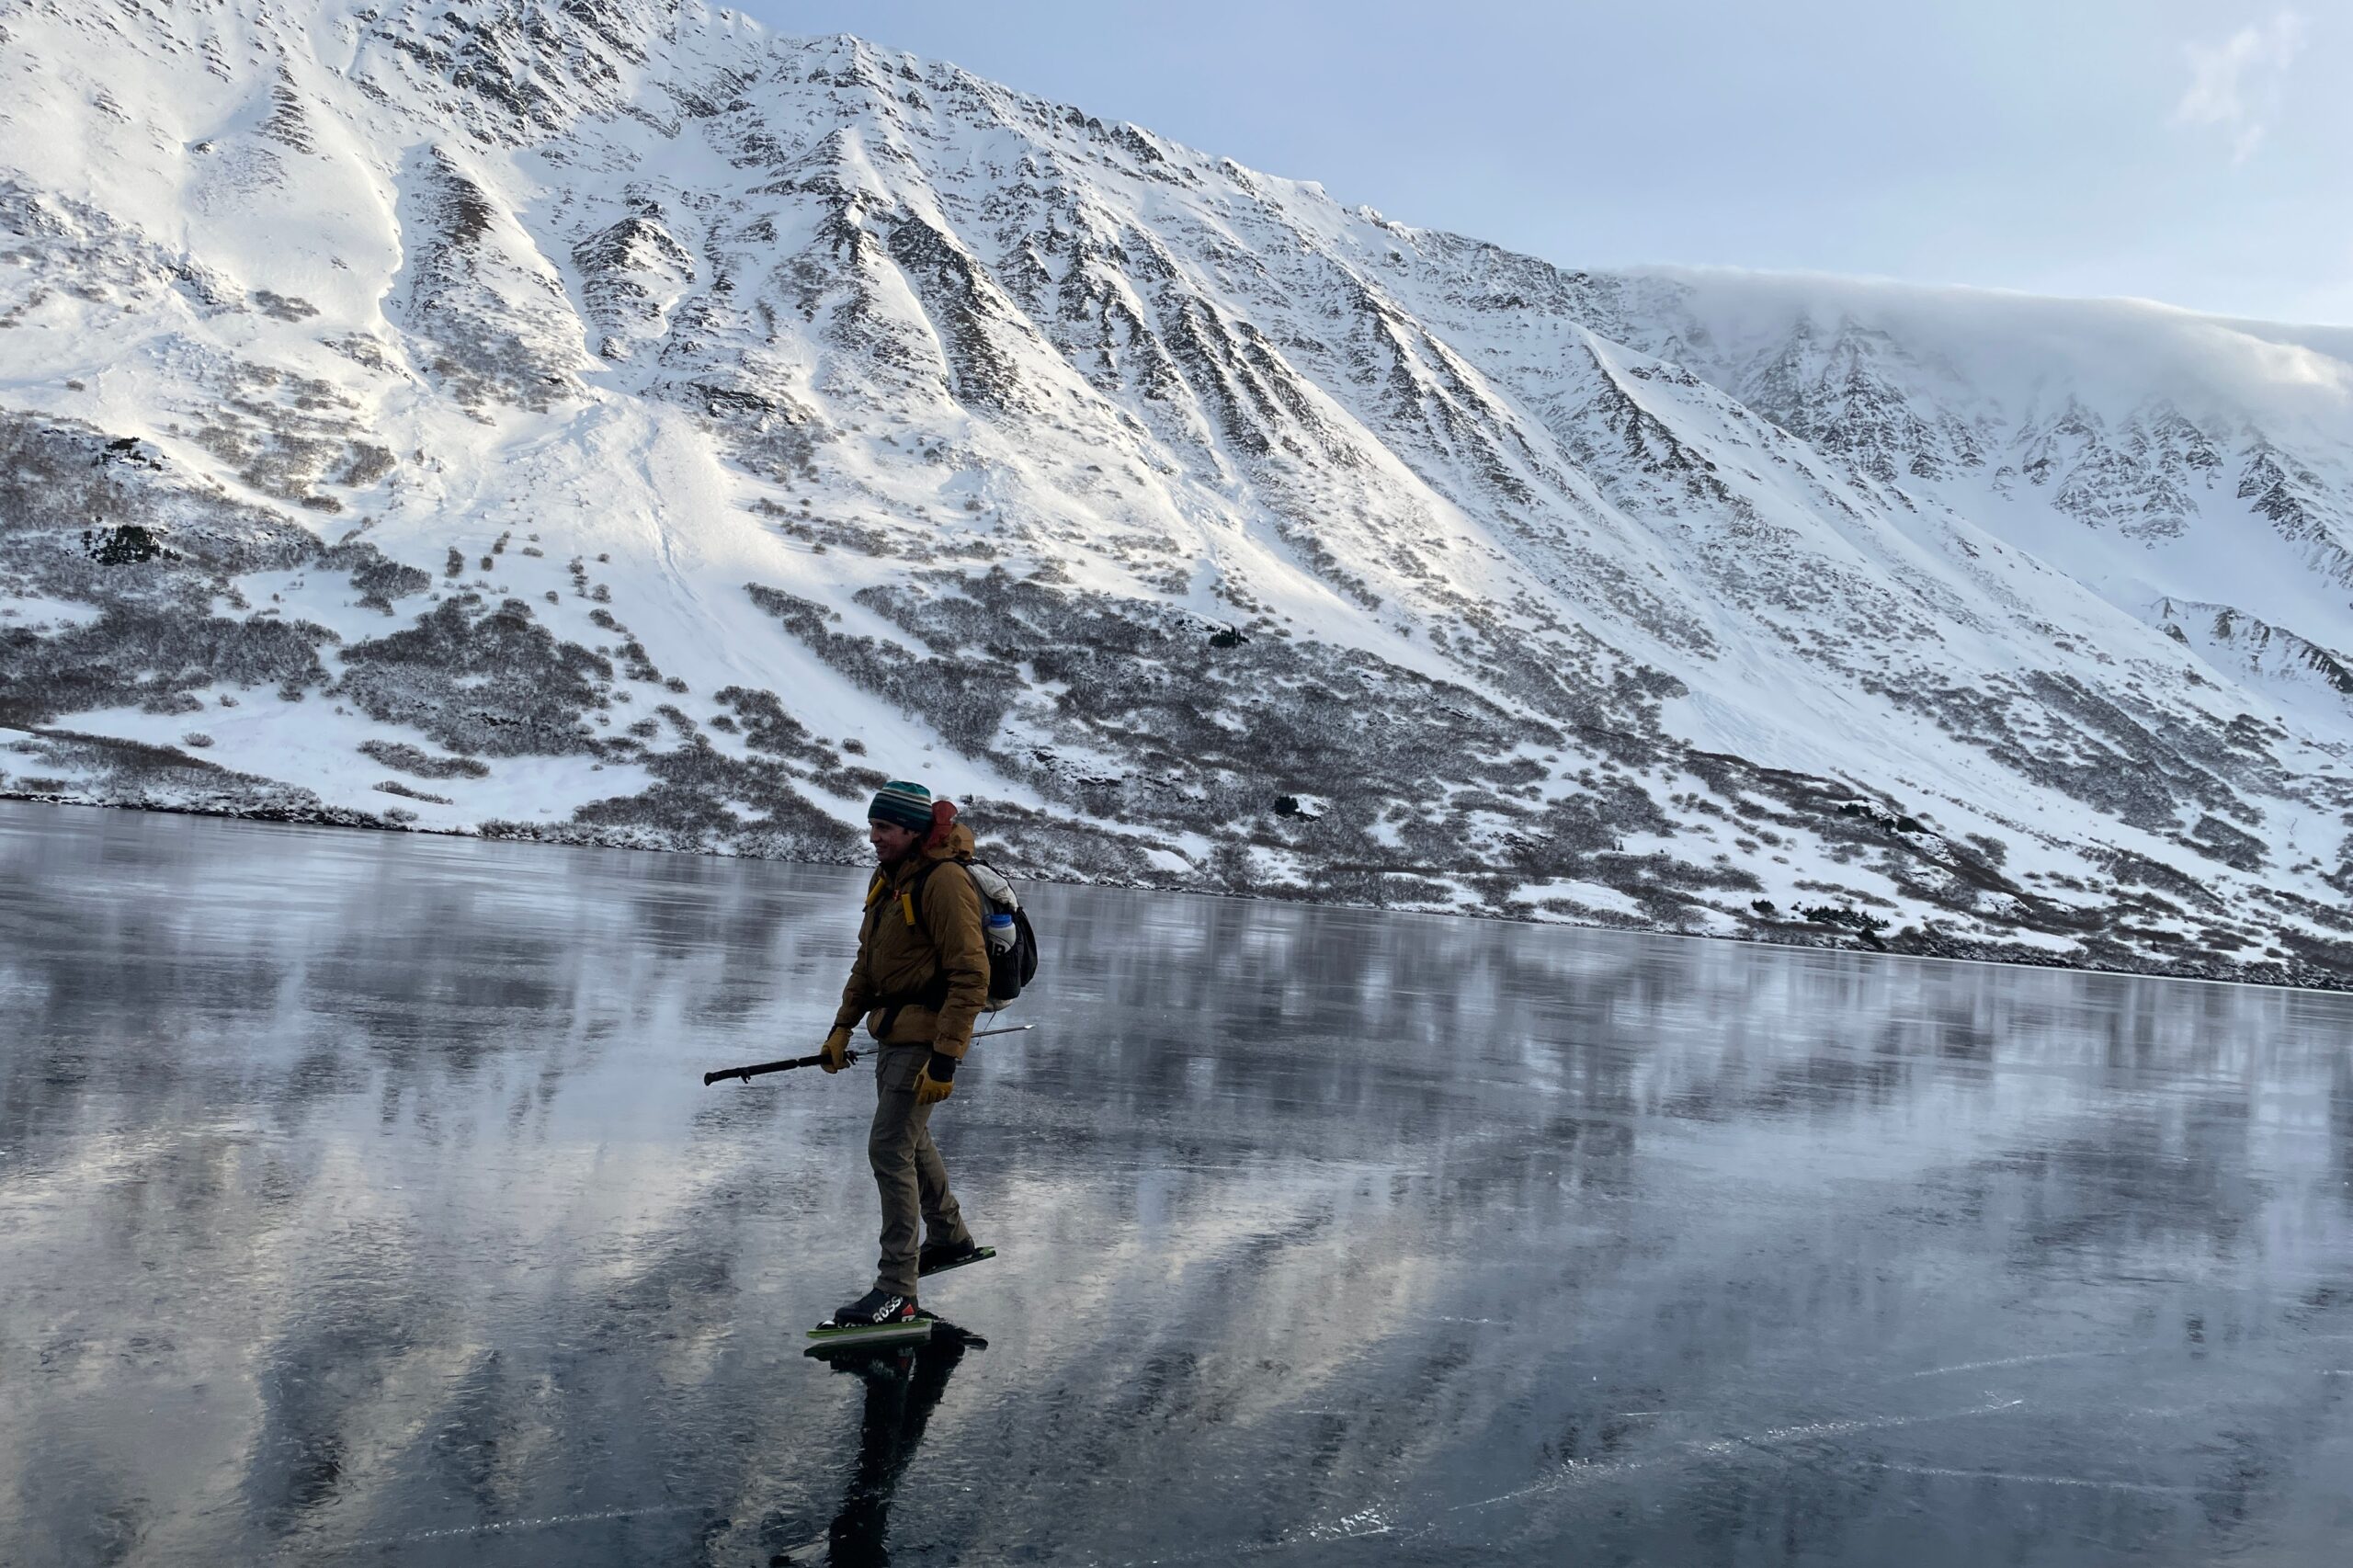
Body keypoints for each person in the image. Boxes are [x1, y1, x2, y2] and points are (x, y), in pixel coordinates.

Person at [817, 779, 988, 1334]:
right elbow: (867, 962)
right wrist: (841, 1028)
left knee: (889, 1148)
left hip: (925, 1040)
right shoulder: (890, 881)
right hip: (891, 1035)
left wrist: (945, 1059)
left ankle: (897, 1291)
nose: (873, 838)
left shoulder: (943, 883)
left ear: (913, 832)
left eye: (884, 829)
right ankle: (950, 1237)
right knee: (911, 1142)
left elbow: (971, 975)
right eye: (872, 827)